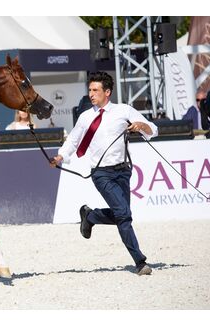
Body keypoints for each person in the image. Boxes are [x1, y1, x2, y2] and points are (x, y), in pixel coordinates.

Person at [49, 71, 158, 276]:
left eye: (95, 90)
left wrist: (141, 126)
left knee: (122, 214)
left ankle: (90, 216)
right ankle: (140, 262)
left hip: (123, 171)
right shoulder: (86, 117)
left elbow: (152, 129)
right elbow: (73, 140)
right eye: (90, 90)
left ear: (107, 92)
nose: (91, 94)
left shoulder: (123, 110)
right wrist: (60, 157)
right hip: (101, 174)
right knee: (124, 215)